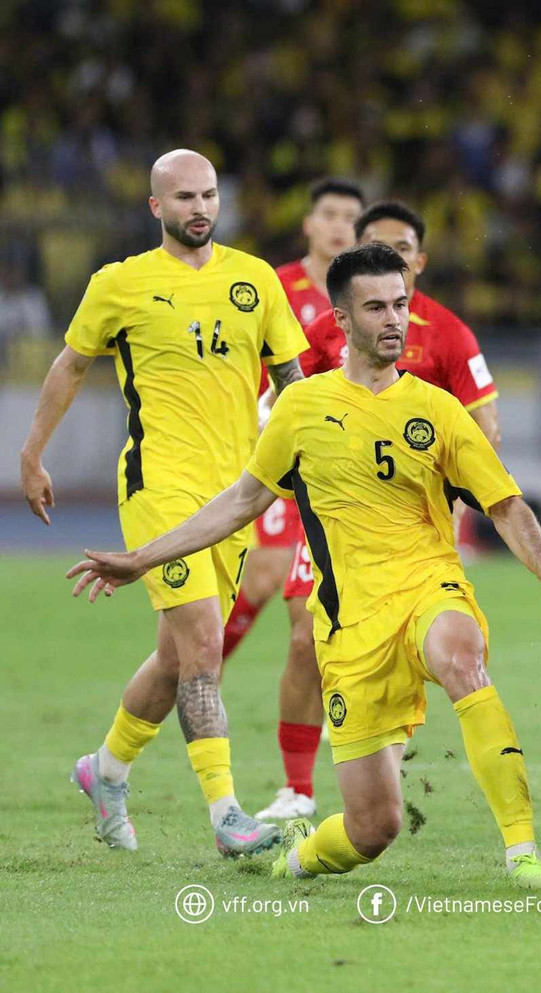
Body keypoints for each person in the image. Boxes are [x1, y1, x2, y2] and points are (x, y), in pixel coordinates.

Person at [68, 243, 541, 891]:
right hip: (350, 629)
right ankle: (296, 857)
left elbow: (508, 508)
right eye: (376, 307)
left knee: (463, 657)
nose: (394, 319)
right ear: (341, 320)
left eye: (401, 304)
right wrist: (142, 557)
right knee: (373, 828)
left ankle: (523, 853)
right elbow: (240, 503)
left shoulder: (437, 409)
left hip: (428, 588)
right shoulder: (301, 409)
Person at [20, 149, 308, 856]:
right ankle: (227, 815)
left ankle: (105, 770)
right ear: (156, 206)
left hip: (236, 496)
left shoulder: (255, 279)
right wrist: (32, 453)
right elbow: (71, 364)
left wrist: (315, 453)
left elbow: (292, 380)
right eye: (184, 197)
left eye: (208, 194)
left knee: (177, 660)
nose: (199, 208)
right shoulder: (120, 283)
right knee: (205, 643)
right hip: (159, 485)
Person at [253, 200, 501, 821]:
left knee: (426, 649)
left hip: (414, 529)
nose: (394, 257)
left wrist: (454, 488)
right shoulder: (328, 332)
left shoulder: (449, 334)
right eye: (378, 244)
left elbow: (485, 428)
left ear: (420, 260)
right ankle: (297, 788)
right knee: (304, 640)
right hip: (334, 520)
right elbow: (285, 405)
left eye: (403, 247)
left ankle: (380, 768)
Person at [223, 178, 364, 664]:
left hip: (342, 462)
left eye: (350, 218)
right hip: (276, 448)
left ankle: (334, 699)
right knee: (266, 571)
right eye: (330, 215)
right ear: (308, 224)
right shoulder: (275, 287)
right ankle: (199, 670)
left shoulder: (367, 296)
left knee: (327, 598)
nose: (339, 226)